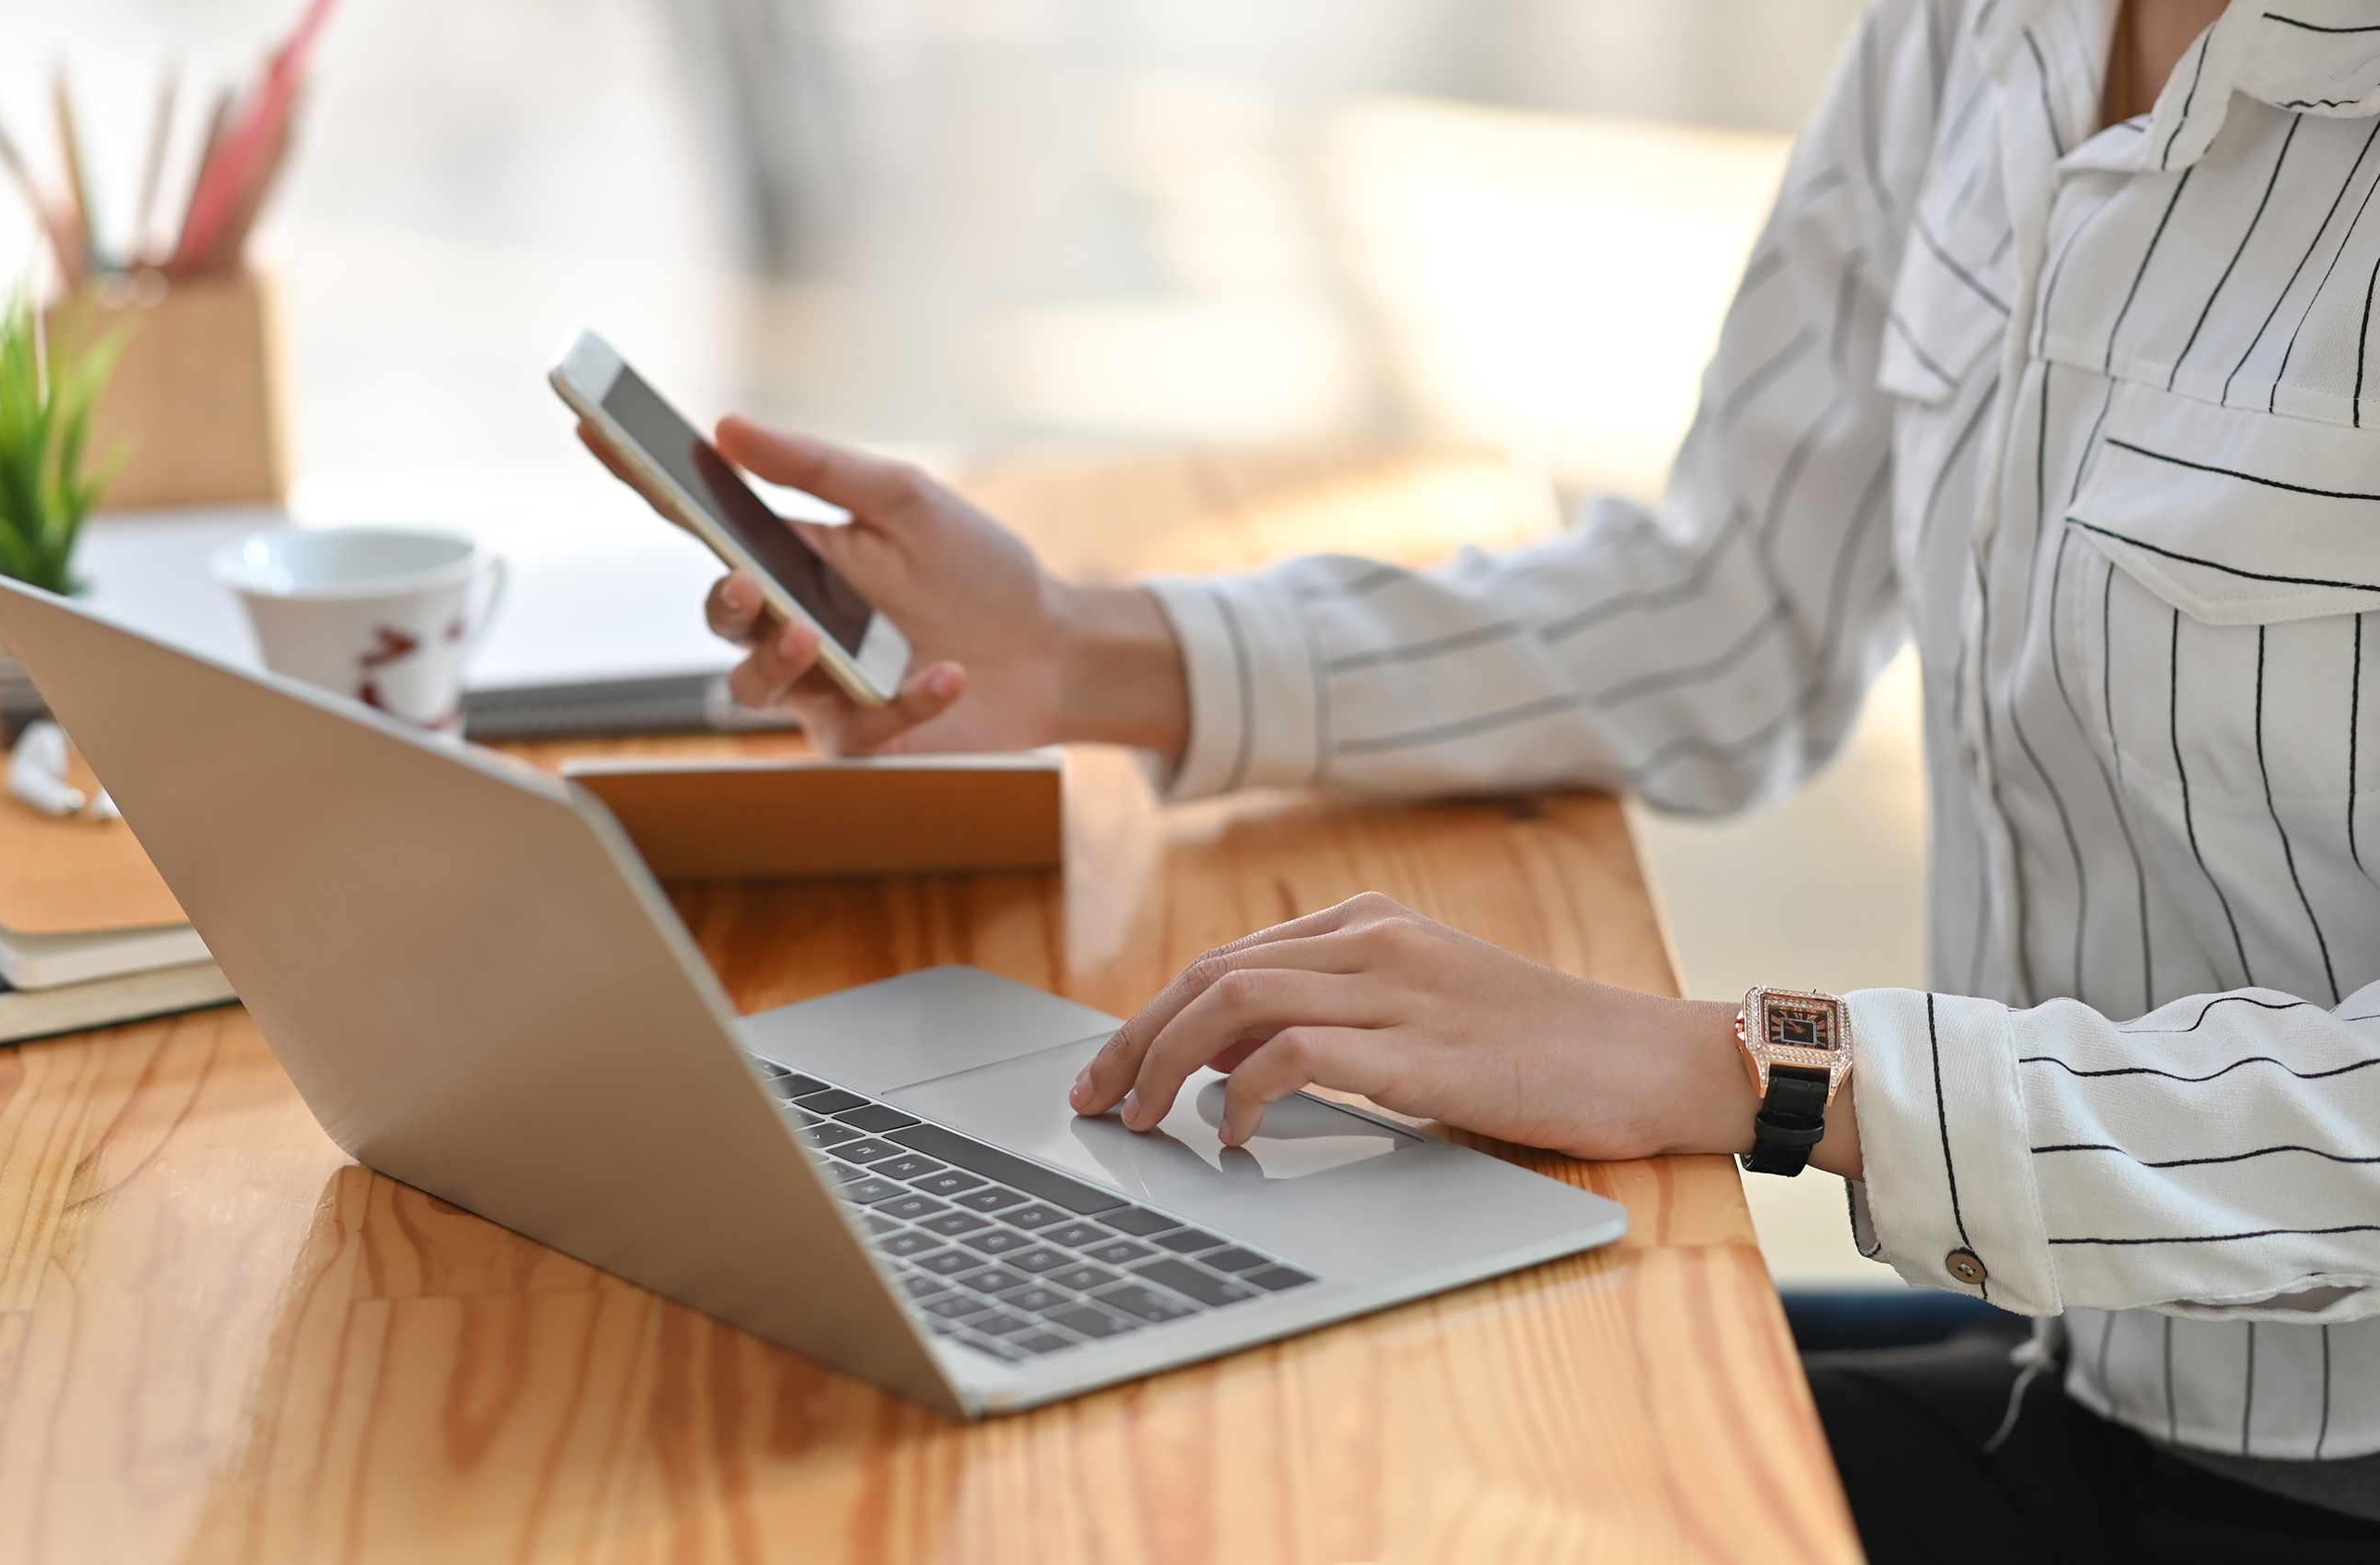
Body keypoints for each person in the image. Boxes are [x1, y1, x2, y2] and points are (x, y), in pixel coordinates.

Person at [587, 0, 2380, 1556]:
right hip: (2089, 1357)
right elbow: (1731, 604)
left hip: (2315, 1482)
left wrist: (1742, 1064)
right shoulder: (1976, 32)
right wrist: (1083, 650)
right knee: (1213, 1430)